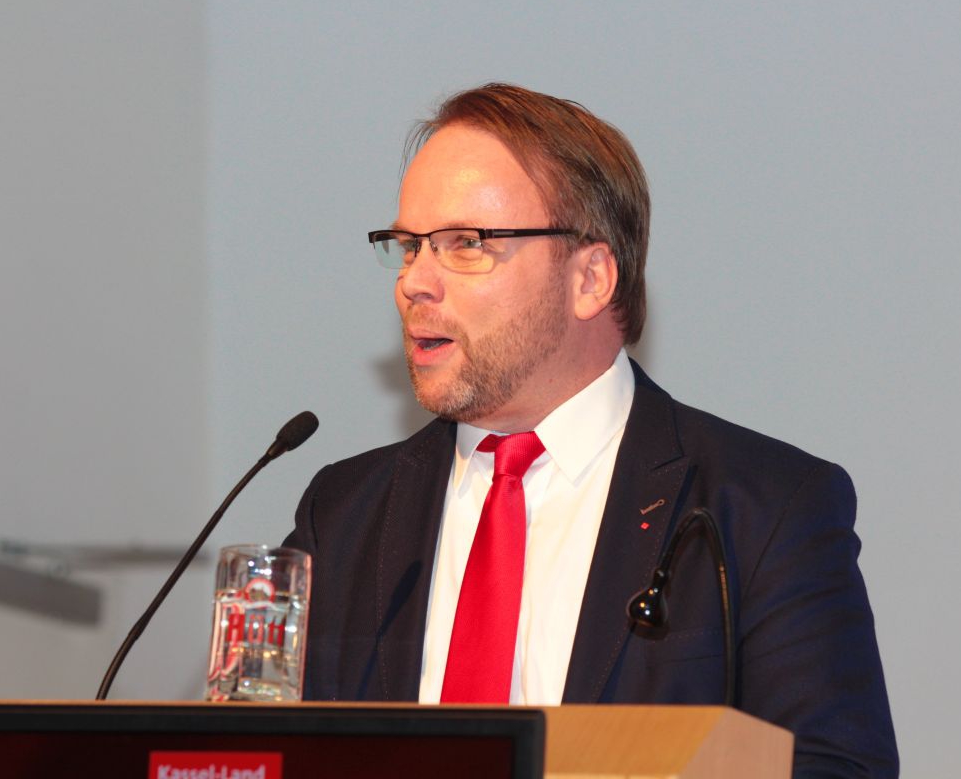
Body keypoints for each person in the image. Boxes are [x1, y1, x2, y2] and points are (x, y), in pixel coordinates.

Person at [284, 83, 898, 777]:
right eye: (408, 246)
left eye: (465, 244)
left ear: (591, 278)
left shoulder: (764, 508)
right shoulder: (343, 515)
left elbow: (835, 767)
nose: (413, 283)